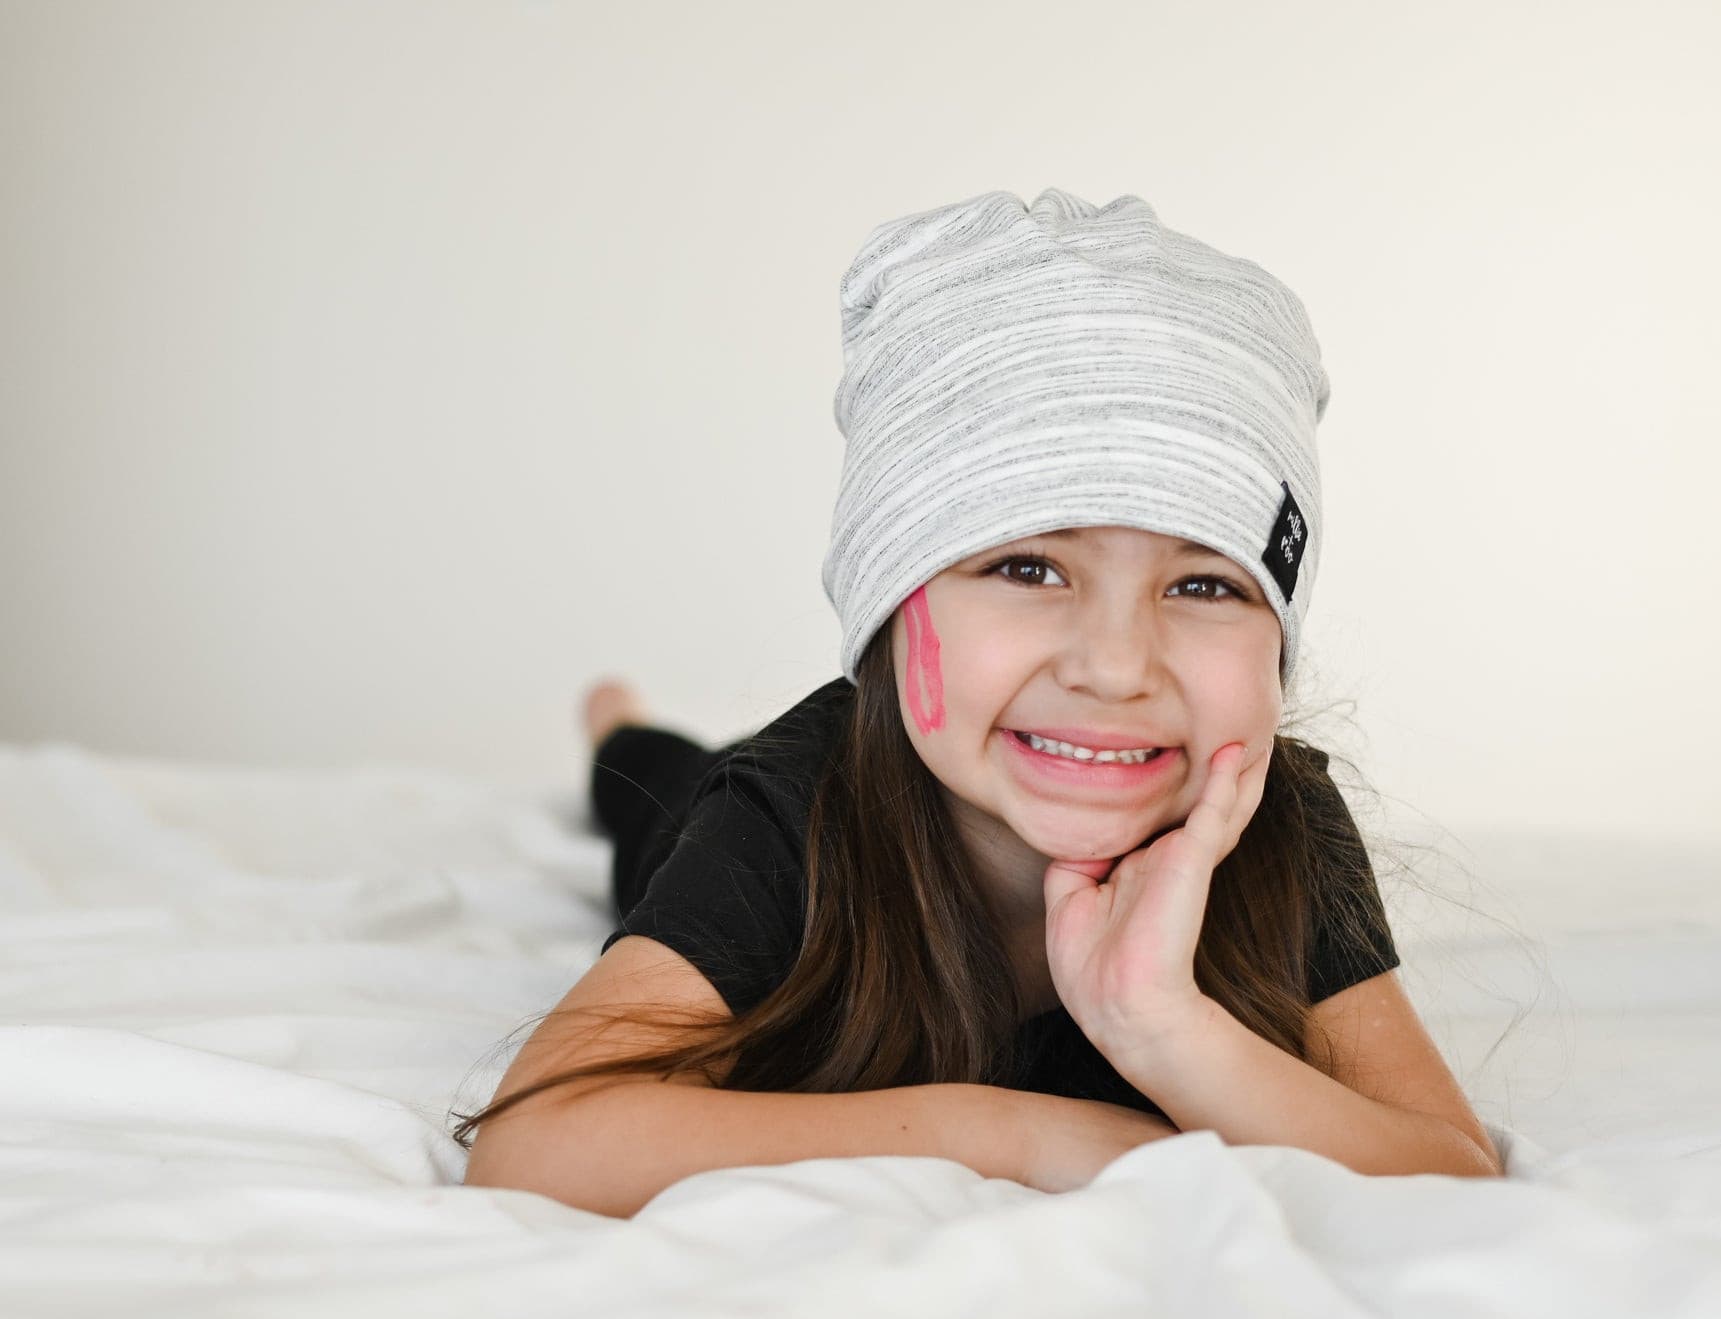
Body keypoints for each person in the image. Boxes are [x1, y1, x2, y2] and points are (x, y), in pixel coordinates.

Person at [457, 188, 1501, 1215]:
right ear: (887, 609)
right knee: (650, 781)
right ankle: (615, 719)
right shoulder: (786, 813)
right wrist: (1015, 1132)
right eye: (1027, 567)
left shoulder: (1274, 815)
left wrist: (1160, 1024)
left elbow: (1450, 1170)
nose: (1115, 668)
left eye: (1203, 584)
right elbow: (538, 1142)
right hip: (720, 793)